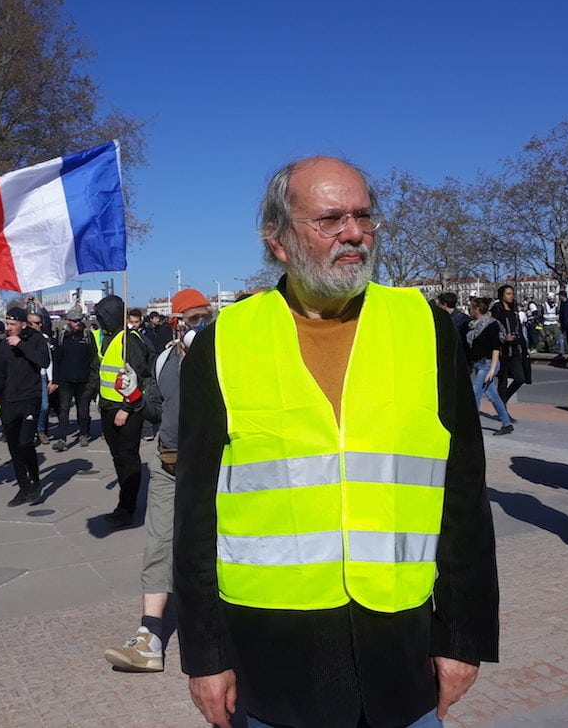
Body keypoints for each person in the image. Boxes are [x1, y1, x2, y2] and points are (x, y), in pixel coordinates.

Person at [173, 156, 498, 728]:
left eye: (363, 217)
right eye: (329, 220)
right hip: (273, 658)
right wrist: (205, 656)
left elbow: (464, 493)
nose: (353, 233)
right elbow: (195, 513)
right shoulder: (225, 342)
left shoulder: (423, 326)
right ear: (276, 239)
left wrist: (463, 637)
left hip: (404, 650)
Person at [104, 288, 212, 673]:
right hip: (167, 465)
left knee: (213, 549)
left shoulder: (223, 353)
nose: (198, 326)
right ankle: (149, 638)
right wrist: (133, 393)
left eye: (204, 317)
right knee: (159, 545)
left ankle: (226, 636)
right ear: (176, 322)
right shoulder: (166, 357)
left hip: (211, 466)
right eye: (191, 320)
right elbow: (156, 410)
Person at [95, 295, 151, 528]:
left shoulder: (130, 341)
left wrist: (126, 409)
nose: (99, 321)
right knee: (117, 457)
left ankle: (127, 508)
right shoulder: (107, 339)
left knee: (127, 457)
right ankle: (124, 501)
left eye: (102, 316)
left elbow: (140, 378)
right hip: (107, 408)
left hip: (125, 410)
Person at [0, 307, 50, 506]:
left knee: (25, 443)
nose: (9, 328)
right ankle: (24, 487)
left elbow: (44, 362)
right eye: (7, 324)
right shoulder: (4, 344)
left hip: (30, 398)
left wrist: (21, 345)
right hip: (9, 401)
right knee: (14, 446)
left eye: (13, 324)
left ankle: (36, 480)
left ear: (24, 324)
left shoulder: (36, 339)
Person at [52, 309, 98, 452]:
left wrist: (93, 378)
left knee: (83, 410)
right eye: (74, 321)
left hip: (84, 380)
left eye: (79, 320)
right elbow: (57, 360)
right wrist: (55, 380)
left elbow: (94, 357)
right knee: (64, 409)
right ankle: (62, 439)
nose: (77, 323)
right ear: (68, 321)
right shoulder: (62, 337)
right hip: (66, 380)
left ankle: (83, 434)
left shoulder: (87, 336)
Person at [466, 298, 514, 435]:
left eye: (471, 308)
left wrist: (492, 369)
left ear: (477, 310)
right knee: (493, 395)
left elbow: (495, 348)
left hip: (487, 364)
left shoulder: (491, 325)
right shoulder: (474, 325)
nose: (469, 310)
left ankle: (472, 426)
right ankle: (507, 423)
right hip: (478, 363)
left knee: (476, 393)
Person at [490, 284, 531, 404]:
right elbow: (493, 329)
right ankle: (503, 411)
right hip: (502, 350)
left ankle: (501, 402)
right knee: (502, 380)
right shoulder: (496, 311)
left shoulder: (514, 312)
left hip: (515, 349)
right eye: (508, 294)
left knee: (520, 378)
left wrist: (523, 345)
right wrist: (503, 338)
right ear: (502, 296)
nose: (511, 296)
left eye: (512, 293)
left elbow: (518, 329)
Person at [26, 312, 56, 445]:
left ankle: (41, 430)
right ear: (28, 324)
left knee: (44, 406)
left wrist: (51, 379)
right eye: (36, 323)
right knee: (28, 407)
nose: (40, 325)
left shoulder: (44, 338)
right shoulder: (22, 339)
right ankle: (30, 432)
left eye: (40, 323)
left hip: (42, 376)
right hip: (26, 378)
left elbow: (48, 360)